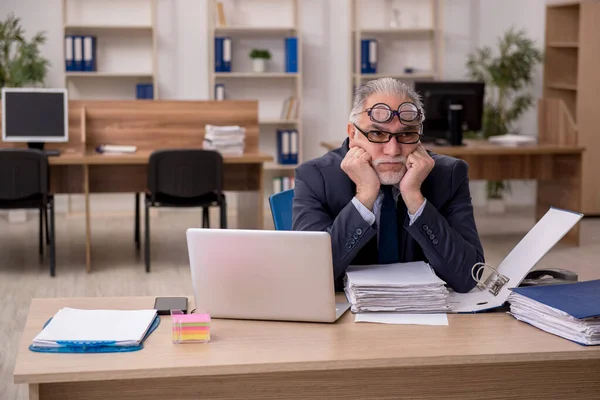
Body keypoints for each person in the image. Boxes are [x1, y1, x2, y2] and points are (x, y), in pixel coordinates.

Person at [292, 77, 484, 293]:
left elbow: (469, 276)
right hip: (345, 316)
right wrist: (364, 196)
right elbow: (310, 274)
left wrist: (414, 196)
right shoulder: (315, 176)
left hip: (424, 314)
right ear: (353, 134)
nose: (393, 150)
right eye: (377, 134)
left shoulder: (448, 174)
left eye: (406, 134)